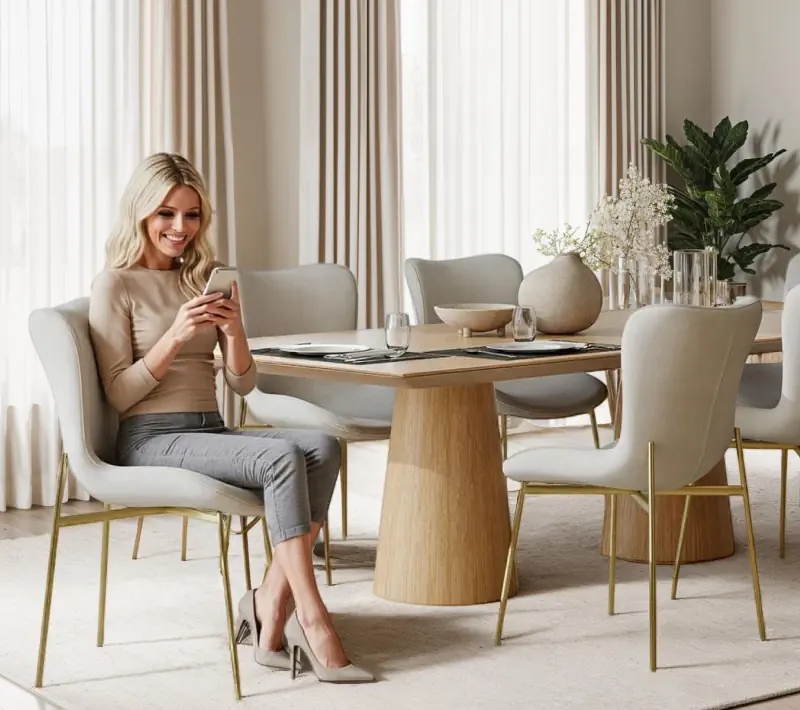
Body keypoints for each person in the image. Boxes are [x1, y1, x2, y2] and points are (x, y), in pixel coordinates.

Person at [88, 152, 373, 683]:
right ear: (141, 215)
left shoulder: (201, 279)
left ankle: (268, 603)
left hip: (207, 430)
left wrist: (235, 331)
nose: (179, 228)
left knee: (323, 445)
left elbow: (242, 383)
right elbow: (118, 396)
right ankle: (312, 618)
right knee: (283, 457)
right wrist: (174, 336)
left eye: (192, 215)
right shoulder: (115, 285)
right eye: (166, 214)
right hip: (151, 438)